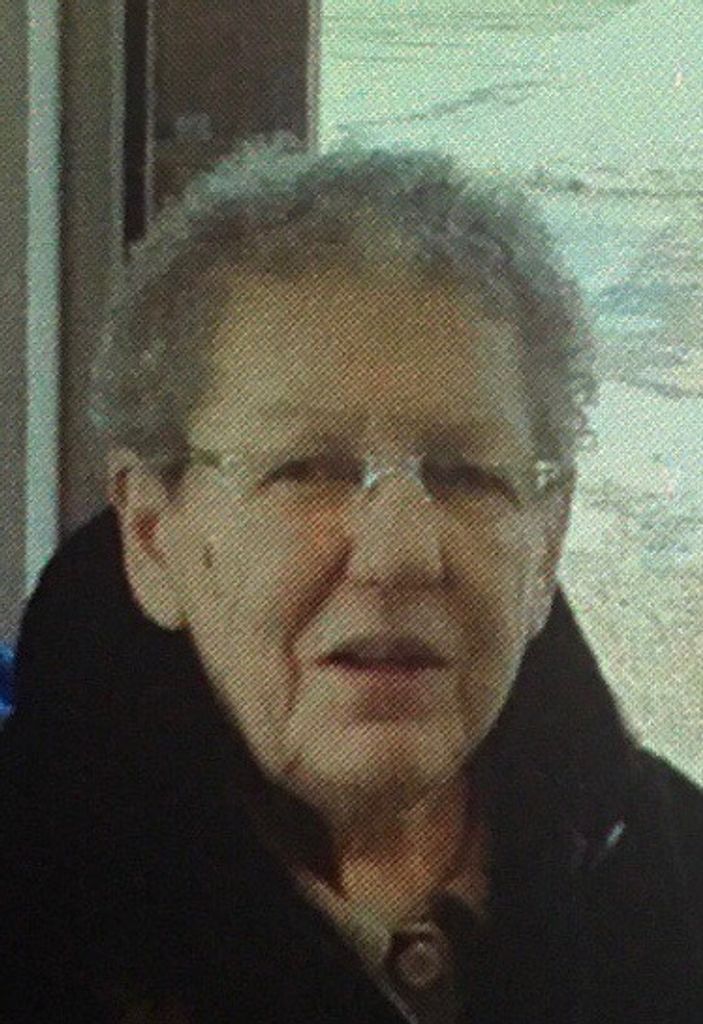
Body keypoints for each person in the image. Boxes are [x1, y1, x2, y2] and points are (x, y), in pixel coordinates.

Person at [0, 138, 701, 1024]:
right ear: (152, 536)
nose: (399, 553)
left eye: (465, 474)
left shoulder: (675, 882)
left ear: (546, 542)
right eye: (306, 469)